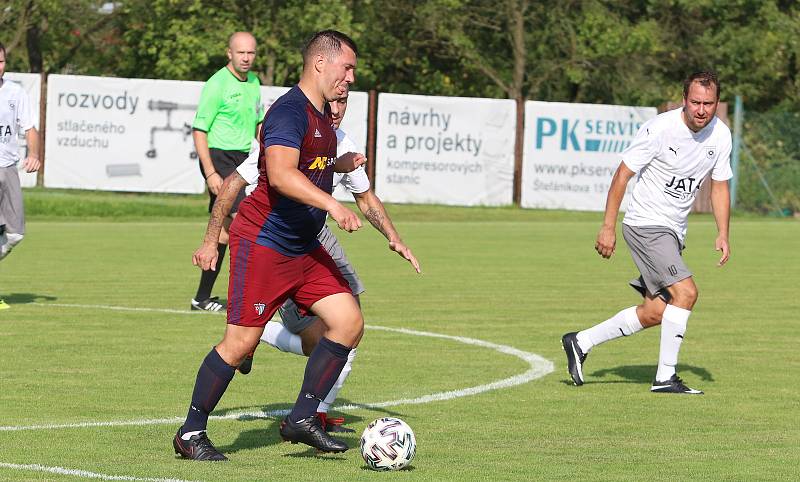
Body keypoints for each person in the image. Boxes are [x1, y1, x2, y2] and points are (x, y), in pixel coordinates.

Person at [173, 29, 363, 462]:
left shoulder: (321, 118)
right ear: (321, 63)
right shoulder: (289, 111)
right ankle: (191, 432)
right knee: (240, 345)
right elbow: (278, 174)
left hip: (301, 247)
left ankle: (302, 417)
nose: (350, 77)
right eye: (346, 67)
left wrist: (339, 165)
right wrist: (333, 204)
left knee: (348, 322)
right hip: (264, 244)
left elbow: (311, 165)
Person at [235, 91, 422, 434]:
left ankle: (316, 413)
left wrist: (394, 238)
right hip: (276, 238)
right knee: (317, 341)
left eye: (343, 103)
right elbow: (239, 181)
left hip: (317, 234)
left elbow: (366, 199)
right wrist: (210, 239)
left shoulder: (343, 141)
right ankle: (257, 335)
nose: (336, 110)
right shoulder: (289, 133)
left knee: (349, 327)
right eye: (332, 103)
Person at [562, 71, 732, 395]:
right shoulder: (660, 129)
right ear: (684, 100)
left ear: (716, 104)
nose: (701, 110)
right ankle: (665, 378)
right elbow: (623, 175)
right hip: (645, 225)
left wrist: (722, 233)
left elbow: (720, 186)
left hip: (672, 232)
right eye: (695, 102)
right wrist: (607, 226)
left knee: (656, 312)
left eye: (708, 104)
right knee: (687, 293)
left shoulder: (721, 136)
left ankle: (580, 342)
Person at [190, 31, 261, 312]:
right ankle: (250, 296)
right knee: (247, 220)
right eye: (241, 52)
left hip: (245, 159)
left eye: (251, 53)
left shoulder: (254, 82)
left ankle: (202, 298)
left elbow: (258, 123)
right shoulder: (217, 84)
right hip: (220, 158)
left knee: (225, 234)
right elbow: (199, 130)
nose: (246, 58)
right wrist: (210, 173)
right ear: (229, 53)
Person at [0, 42, 41, 310]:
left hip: (8, 170)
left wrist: (34, 154)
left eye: (1, 61)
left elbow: (30, 128)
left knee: (15, 234)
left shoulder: (15, 92)